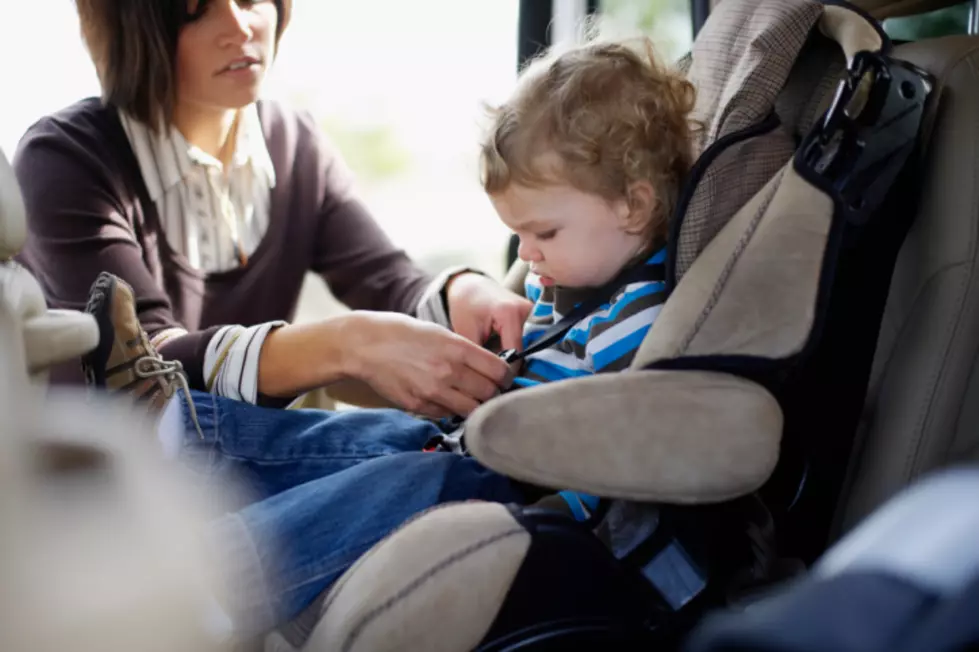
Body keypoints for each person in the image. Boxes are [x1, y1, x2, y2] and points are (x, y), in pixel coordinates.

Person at [82, 35, 697, 640]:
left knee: (412, 478)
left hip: (527, 495)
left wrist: (527, 458)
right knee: (352, 435)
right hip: (468, 449)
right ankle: (183, 427)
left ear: (634, 207)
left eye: (545, 233)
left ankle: (205, 585)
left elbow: (622, 466)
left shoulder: (635, 321)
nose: (527, 253)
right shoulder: (564, 284)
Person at [14, 0, 530, 420]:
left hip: (244, 460)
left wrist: (465, 291)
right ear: (134, 26)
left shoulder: (294, 144)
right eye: (196, 9)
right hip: (115, 486)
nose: (239, 27)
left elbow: (390, 281)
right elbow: (146, 364)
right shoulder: (65, 157)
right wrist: (348, 344)